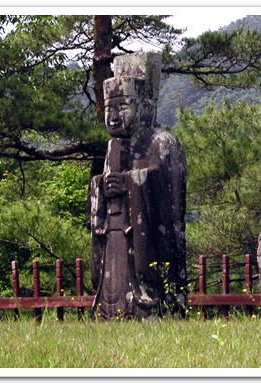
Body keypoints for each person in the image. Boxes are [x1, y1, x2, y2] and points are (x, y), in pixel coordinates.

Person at [90, 53, 187, 319]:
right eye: (109, 108)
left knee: (148, 281)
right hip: (115, 231)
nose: (113, 116)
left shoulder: (162, 141)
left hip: (145, 237)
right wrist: (101, 186)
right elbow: (102, 187)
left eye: (122, 107)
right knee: (113, 284)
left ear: (143, 106)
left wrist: (132, 182)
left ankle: (157, 305)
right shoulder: (113, 146)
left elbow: (170, 193)